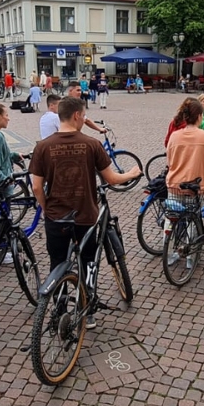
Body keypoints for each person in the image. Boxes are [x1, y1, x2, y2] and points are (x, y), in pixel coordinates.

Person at [30, 96, 142, 328]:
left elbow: (36, 187)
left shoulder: (42, 147)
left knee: (57, 262)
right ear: (77, 116)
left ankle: (59, 308)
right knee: (88, 262)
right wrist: (131, 174)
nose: (84, 119)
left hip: (56, 217)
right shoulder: (92, 145)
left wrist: (46, 209)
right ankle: (87, 309)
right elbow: (111, 179)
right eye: (84, 115)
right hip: (86, 216)